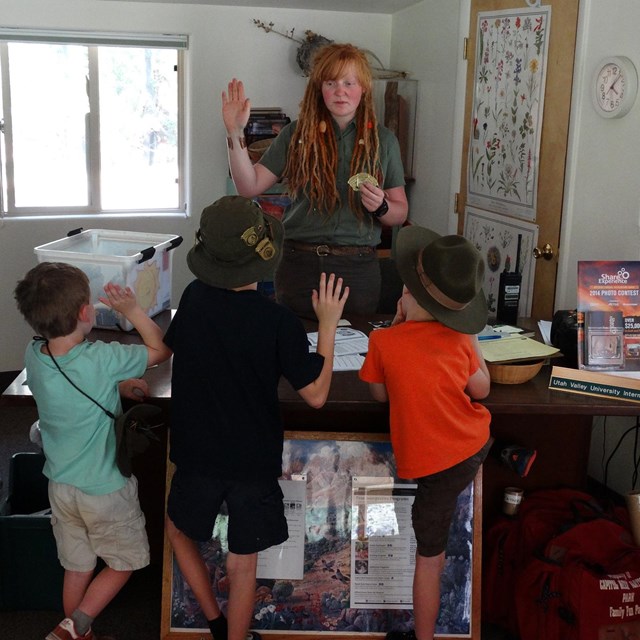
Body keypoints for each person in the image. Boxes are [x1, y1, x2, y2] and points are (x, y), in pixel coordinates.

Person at [163, 195, 349, 640]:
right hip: (252, 461)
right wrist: (327, 323)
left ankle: (213, 620)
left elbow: (174, 349)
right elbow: (317, 395)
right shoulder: (278, 321)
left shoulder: (192, 298)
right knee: (242, 563)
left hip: (196, 452)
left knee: (176, 528)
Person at [13, 261, 172, 640]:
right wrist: (132, 311)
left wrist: (116, 389)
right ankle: (75, 625)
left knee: (78, 566)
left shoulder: (35, 355)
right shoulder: (102, 358)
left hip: (61, 486)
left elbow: (70, 392)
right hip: (104, 489)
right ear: (87, 312)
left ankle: (79, 635)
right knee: (124, 562)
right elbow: (160, 350)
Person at [358, 225, 493, 640]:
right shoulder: (457, 339)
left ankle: (424, 637)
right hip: (473, 445)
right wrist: (470, 340)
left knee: (428, 558)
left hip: (436, 466)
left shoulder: (384, 342)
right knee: (437, 537)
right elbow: (482, 389)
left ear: (406, 295)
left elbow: (379, 395)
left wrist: (394, 330)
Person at [222, 42, 408, 319]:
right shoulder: (294, 134)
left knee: (354, 354)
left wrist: (381, 206)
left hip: (356, 269)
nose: (340, 91)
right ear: (319, 88)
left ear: (364, 88)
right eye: (331, 82)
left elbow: (400, 212)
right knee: (295, 350)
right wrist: (235, 132)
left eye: (349, 82)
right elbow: (248, 187)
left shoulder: (384, 141)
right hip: (299, 265)